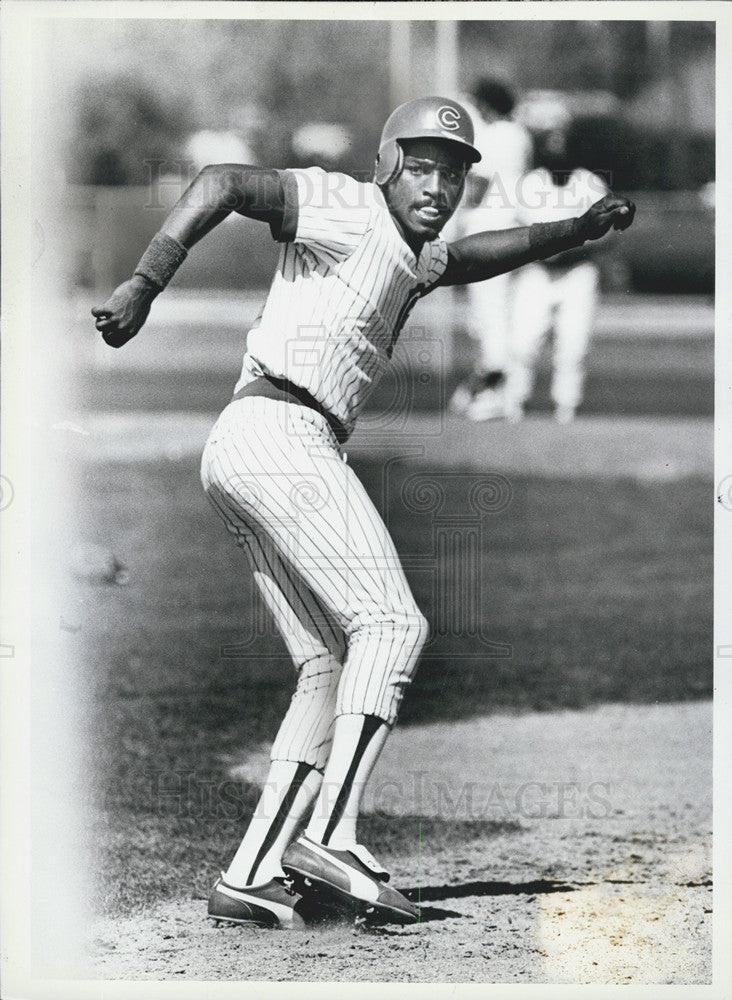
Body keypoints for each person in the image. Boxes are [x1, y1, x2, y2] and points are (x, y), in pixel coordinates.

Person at [92, 96, 635, 930]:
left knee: (328, 664)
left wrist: (578, 227)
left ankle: (250, 871)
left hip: (251, 444)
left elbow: (482, 256)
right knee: (393, 625)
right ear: (387, 165)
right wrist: (145, 279)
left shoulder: (413, 253)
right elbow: (225, 179)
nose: (438, 184)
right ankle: (333, 836)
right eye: (421, 165)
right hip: (280, 431)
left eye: (452, 172)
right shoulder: (345, 204)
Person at [502, 112, 610, 423]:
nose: (557, 150)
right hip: (536, 272)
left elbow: (608, 235)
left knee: (573, 346)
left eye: (563, 144)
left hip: (578, 273)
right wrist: (543, 250)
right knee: (522, 342)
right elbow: (517, 230)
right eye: (552, 144)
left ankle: (566, 409)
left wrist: (571, 249)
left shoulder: (589, 183)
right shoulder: (530, 183)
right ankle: (513, 405)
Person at [448, 78, 533, 421]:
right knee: (500, 316)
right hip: (515, 227)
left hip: (488, 230)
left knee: (489, 316)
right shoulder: (519, 135)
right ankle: (503, 392)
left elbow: (477, 184)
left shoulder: (495, 136)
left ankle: (493, 390)